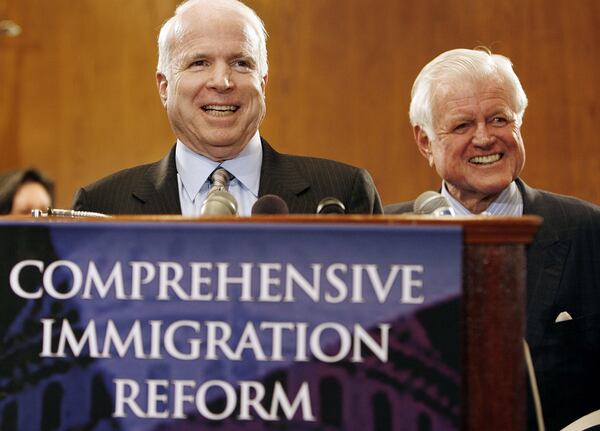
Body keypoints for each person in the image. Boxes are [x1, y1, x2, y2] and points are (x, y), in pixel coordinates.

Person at [385, 48, 600, 430]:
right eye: (463, 125)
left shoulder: (587, 231)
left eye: (499, 119)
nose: (485, 138)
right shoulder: (384, 237)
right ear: (424, 142)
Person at [72, 0, 381, 215]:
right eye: (199, 63)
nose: (222, 81)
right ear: (164, 86)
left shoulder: (343, 191)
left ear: (263, 83)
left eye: (241, 63)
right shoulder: (102, 206)